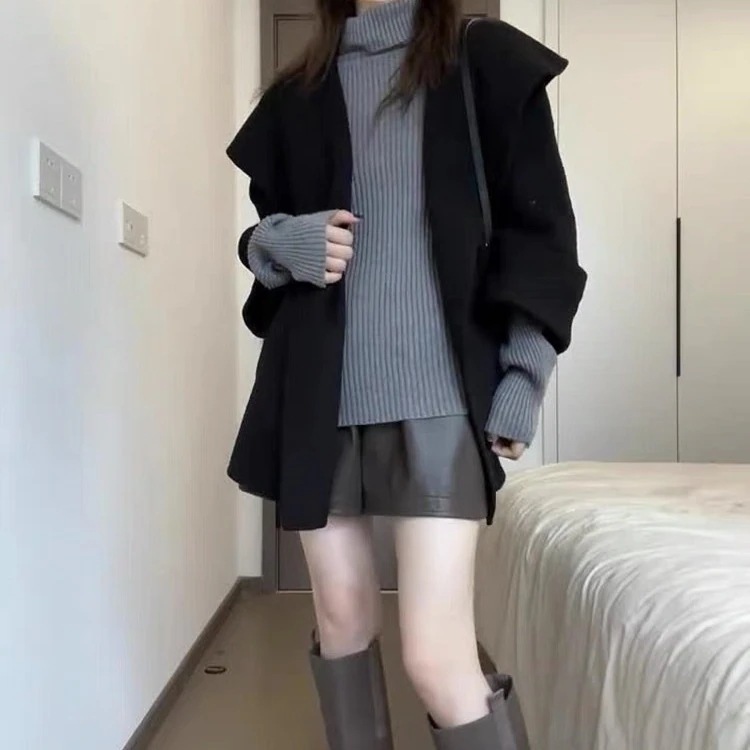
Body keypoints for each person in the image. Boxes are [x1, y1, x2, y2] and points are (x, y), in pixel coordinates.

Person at [227, 0, 585, 747]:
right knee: (341, 621)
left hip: (440, 399)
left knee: (435, 655)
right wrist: (280, 243)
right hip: (317, 398)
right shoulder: (297, 91)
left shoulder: (484, 59)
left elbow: (541, 238)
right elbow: (266, 236)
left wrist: (522, 378)